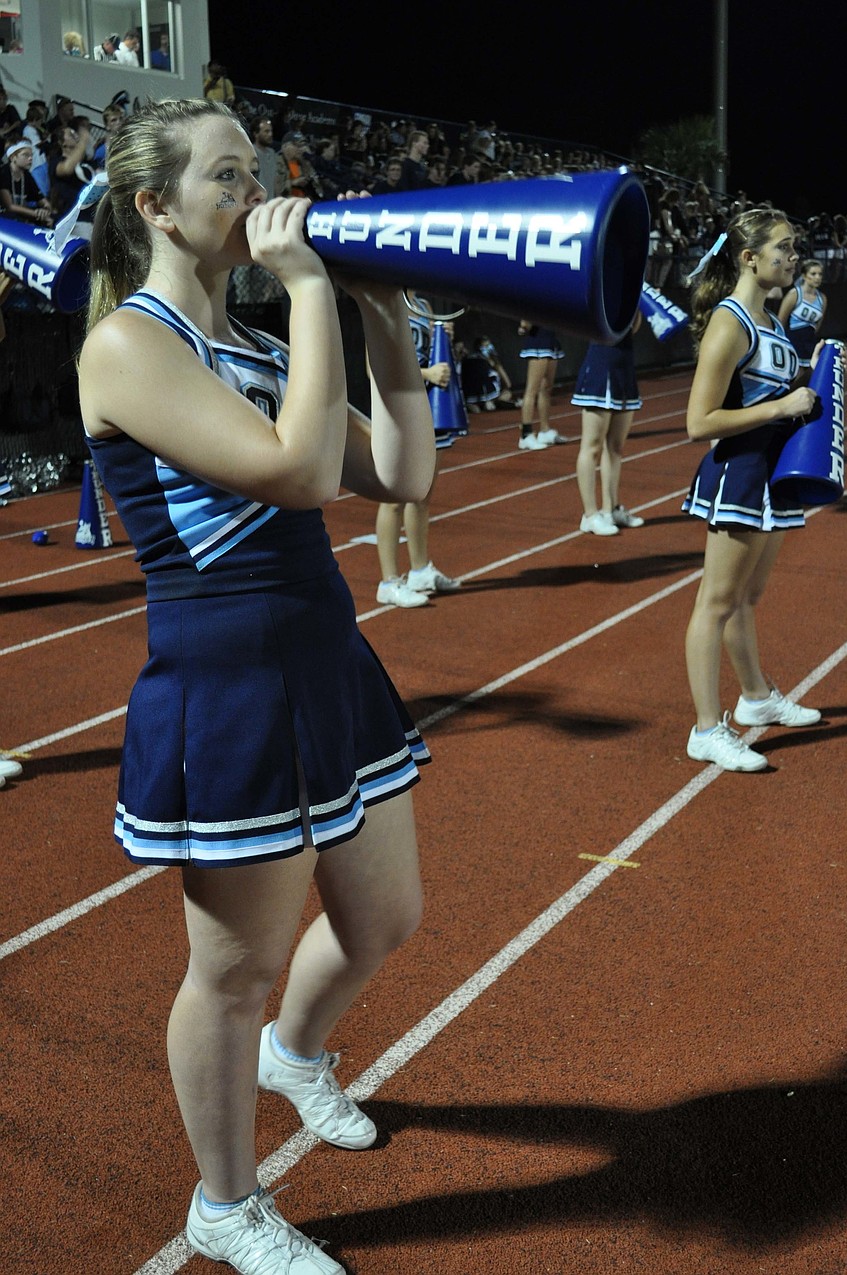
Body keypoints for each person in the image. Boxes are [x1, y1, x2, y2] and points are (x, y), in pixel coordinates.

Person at [77, 97, 435, 1274]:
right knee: (230, 974)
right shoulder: (128, 346)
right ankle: (223, 1206)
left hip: (327, 660)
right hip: (228, 681)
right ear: (155, 209)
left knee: (384, 917)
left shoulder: (259, 346)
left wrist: (383, 324)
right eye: (225, 178)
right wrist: (319, 288)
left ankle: (300, 1054)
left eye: (258, 172)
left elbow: (397, 471)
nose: (257, 194)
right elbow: (291, 474)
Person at [681, 208, 823, 773]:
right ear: (749, 258)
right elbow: (699, 421)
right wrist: (782, 405)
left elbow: (776, 395)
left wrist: (813, 381)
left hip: (769, 474)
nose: (792, 258)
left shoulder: (771, 320)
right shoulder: (731, 320)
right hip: (738, 474)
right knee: (714, 604)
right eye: (784, 249)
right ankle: (705, 730)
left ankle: (757, 697)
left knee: (745, 599)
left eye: (793, 249)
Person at [375, 292, 461, 607]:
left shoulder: (423, 305)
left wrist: (444, 338)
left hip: (428, 411)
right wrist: (427, 374)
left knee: (422, 494)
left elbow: (429, 356)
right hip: (398, 412)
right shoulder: (383, 301)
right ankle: (388, 581)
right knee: (394, 498)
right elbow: (374, 369)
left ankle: (420, 569)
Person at [572, 312, 645, 535]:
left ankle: (610, 509)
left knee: (615, 447)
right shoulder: (601, 290)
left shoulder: (628, 293)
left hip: (624, 364)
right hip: (601, 365)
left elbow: (633, 328)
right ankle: (590, 515)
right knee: (592, 446)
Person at [516, 320, 566, 449]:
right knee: (532, 390)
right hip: (538, 342)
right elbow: (526, 320)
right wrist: (524, 325)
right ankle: (525, 435)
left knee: (546, 388)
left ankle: (545, 431)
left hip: (550, 341)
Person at [777, 258, 827, 369]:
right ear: (804, 276)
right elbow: (780, 322)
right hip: (793, 342)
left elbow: (817, 325)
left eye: (820, 274)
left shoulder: (822, 298)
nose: (817, 277)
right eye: (813, 274)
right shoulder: (794, 294)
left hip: (810, 343)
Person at [0, 140, 54, 224]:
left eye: (31, 155)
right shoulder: (3, 172)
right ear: (13, 157)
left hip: (19, 217)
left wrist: (45, 211)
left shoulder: (27, 175)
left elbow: (42, 200)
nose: (30, 158)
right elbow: (9, 206)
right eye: (25, 155)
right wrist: (36, 213)